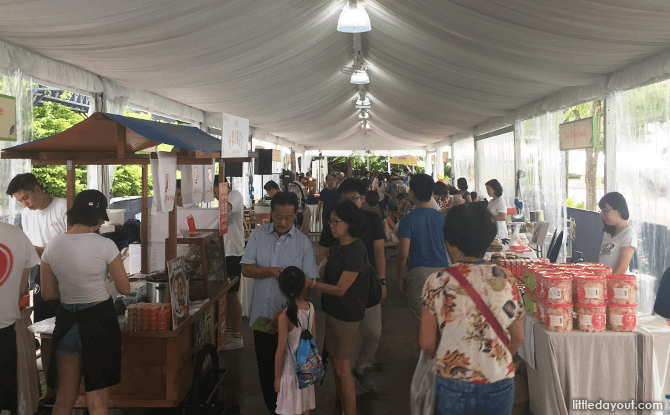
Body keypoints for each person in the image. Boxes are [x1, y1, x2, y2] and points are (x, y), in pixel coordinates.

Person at [419, 203, 525, 415]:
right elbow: (519, 337)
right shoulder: (506, 279)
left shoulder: (437, 281)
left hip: (452, 381)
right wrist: (498, 359)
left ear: (449, 241)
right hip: (499, 379)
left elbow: (427, 342)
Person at [40, 190, 130, 415]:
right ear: (99, 218)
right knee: (97, 401)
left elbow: (48, 293)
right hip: (99, 320)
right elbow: (125, 288)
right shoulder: (105, 246)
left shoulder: (52, 245)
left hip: (68, 320)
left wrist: (73, 287)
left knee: (64, 399)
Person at [240, 192, 319, 414]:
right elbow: (246, 269)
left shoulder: (303, 244)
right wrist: (269, 272)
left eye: (289, 217)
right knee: (267, 372)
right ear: (270, 214)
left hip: (291, 321)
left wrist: (288, 311)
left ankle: (289, 409)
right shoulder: (258, 235)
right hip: (262, 318)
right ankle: (274, 409)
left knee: (292, 372)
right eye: (278, 216)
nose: (283, 222)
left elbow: (307, 283)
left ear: (296, 216)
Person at [316, 179, 386, 391]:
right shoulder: (334, 222)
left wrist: (382, 281)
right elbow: (323, 253)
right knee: (341, 343)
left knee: (373, 332)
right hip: (342, 292)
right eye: (344, 199)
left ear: (362, 198)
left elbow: (379, 251)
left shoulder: (372, 219)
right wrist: (320, 280)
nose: (348, 202)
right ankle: (344, 388)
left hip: (368, 285)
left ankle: (362, 366)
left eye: (353, 198)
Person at [311, 200, 370, 415]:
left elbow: (340, 289)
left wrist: (313, 284)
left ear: (351, 223)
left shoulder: (355, 250)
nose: (331, 226)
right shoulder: (341, 244)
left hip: (346, 315)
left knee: (342, 367)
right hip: (335, 312)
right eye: (330, 221)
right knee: (337, 364)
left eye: (336, 222)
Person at [6, 173, 68, 323]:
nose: (25, 204)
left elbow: (74, 245)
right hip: (39, 270)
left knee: (63, 314)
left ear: (37, 189)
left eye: (26, 197)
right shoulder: (26, 215)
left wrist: (42, 251)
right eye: (20, 201)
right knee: (42, 316)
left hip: (64, 268)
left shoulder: (63, 207)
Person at [397, 174, 450, 322]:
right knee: (442, 320)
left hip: (418, 273)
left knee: (422, 322)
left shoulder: (407, 219)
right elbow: (451, 248)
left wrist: (400, 276)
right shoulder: (442, 218)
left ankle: (424, 346)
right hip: (443, 273)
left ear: (412, 193)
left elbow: (403, 253)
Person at [0, 223, 39, 415]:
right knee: (6, 400)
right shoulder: (15, 234)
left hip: (6, 327)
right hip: (5, 328)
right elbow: (22, 288)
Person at [274, 267, 316, 415]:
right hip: (306, 370)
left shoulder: (285, 316)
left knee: (291, 409)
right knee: (304, 408)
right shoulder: (310, 308)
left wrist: (277, 378)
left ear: (280, 288)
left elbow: (281, 350)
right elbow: (313, 339)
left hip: (290, 373)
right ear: (305, 286)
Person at [218, 178, 246, 351]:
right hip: (226, 253)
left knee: (233, 294)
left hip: (233, 253)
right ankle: (227, 333)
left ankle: (236, 336)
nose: (215, 196)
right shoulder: (226, 198)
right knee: (227, 295)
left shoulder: (234, 195)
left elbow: (227, 207)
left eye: (215, 192)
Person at [598, 192, 637, 274]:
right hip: (605, 281)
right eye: (601, 211)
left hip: (616, 284)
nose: (602, 215)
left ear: (618, 210)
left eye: (605, 211)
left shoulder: (628, 234)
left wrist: (605, 283)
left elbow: (621, 270)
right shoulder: (609, 232)